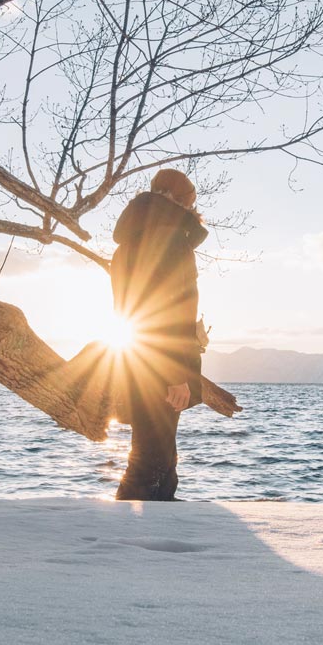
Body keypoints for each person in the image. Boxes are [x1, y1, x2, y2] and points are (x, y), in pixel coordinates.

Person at [110, 168, 207, 501]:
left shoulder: (132, 241)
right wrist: (176, 373)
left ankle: (160, 530)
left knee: (160, 459)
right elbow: (164, 311)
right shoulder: (169, 239)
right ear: (174, 199)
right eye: (190, 202)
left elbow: (134, 308)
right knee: (151, 463)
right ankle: (128, 541)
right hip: (161, 367)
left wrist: (193, 337)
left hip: (138, 360)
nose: (194, 210)